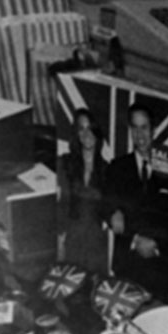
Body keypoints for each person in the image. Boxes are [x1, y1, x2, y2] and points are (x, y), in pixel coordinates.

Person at [103, 103, 168, 303]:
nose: (139, 135)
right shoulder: (117, 167)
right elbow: (103, 206)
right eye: (135, 128)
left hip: (158, 272)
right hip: (126, 269)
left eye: (144, 128)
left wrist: (156, 244)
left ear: (153, 130)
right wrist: (113, 212)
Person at [57, 108, 110, 276]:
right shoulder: (64, 163)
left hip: (96, 242)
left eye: (90, 128)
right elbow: (60, 202)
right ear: (76, 133)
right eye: (81, 128)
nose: (86, 134)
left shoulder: (108, 169)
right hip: (70, 237)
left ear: (97, 132)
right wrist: (59, 239)